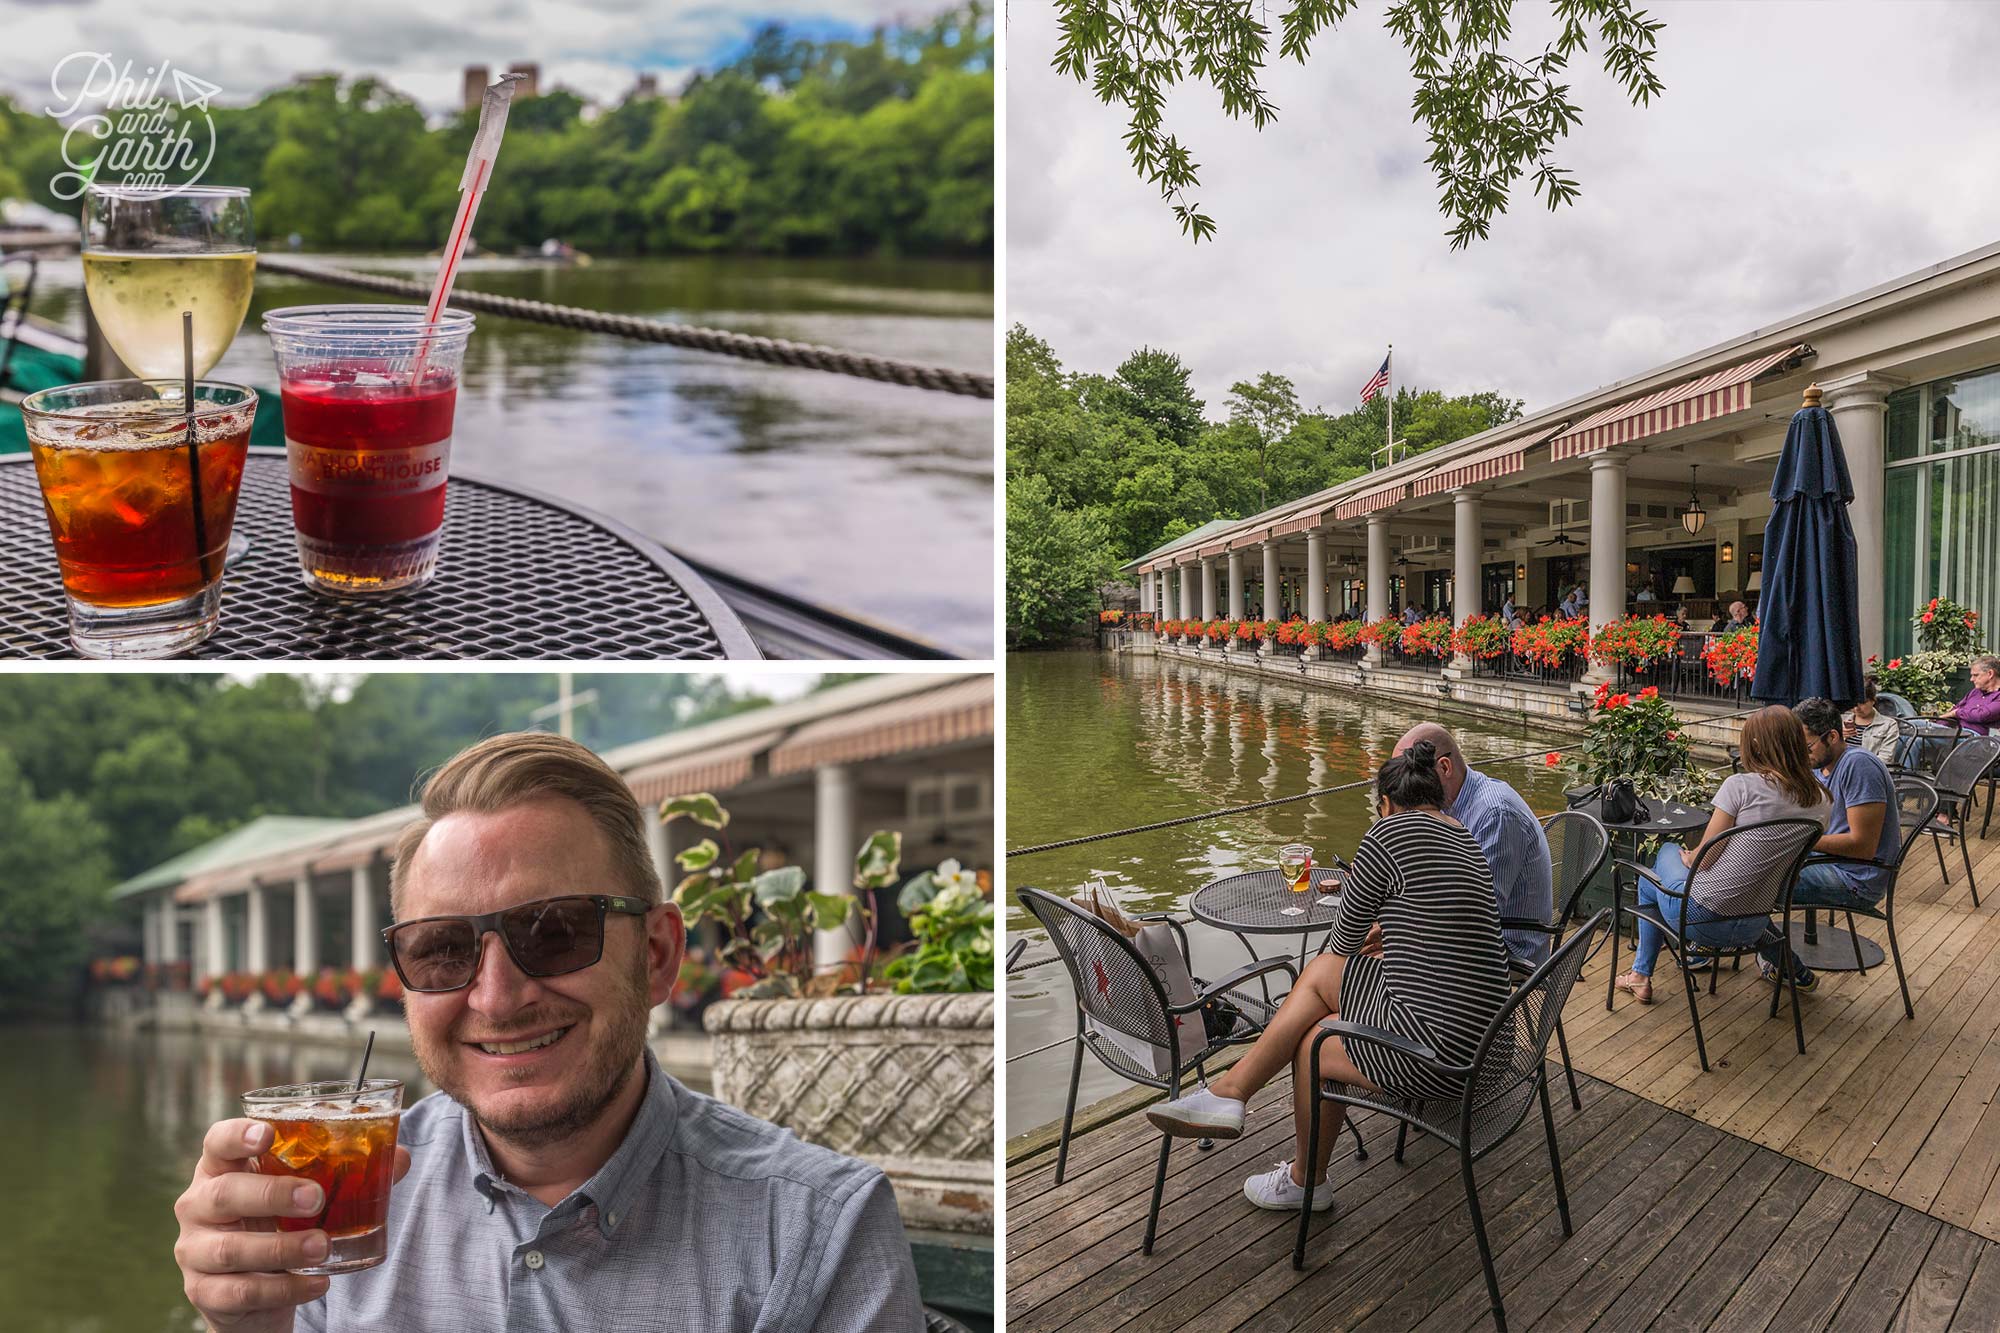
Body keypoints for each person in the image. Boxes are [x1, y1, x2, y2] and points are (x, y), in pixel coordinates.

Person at [171, 733, 923, 1333]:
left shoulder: (816, 1230)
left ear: (656, 956)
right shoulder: (343, 1199)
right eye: (443, 948)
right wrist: (246, 1326)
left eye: (556, 931)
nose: (496, 997)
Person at [1142, 742, 1513, 1210]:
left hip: (1445, 1060)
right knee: (1324, 1010)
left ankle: (1270, 1140)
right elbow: (1439, 928)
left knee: (1316, 1012)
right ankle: (1247, 1113)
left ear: (1385, 803)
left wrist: (1370, 926)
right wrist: (1390, 933)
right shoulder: (1463, 836)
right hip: (1491, 1044)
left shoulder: (1390, 834)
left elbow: (1342, 942)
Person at [1611, 707, 1830, 1003]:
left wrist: (1689, 858)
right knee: (1729, 887)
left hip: (1699, 920)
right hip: (1755, 923)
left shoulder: (1740, 786)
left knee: (1663, 857)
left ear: (1754, 745)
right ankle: (1795, 970)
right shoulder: (1821, 800)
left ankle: (1640, 975)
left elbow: (1707, 858)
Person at [1394, 723, 1554, 964]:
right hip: (1480, 930)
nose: (1403, 787)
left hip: (1507, 949)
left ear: (1444, 767)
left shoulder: (1495, 814)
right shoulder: (1454, 805)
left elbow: (1476, 913)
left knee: (1372, 963)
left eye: (1408, 775)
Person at [1790, 697, 1901, 946]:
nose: (1801, 755)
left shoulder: (1858, 765)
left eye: (1806, 747)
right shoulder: (1821, 766)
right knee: (1751, 863)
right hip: (1830, 864)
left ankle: (1775, 955)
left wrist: (1803, 840)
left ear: (1832, 737)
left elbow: (1863, 846)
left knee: (1760, 879)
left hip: (1856, 880)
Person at [1844, 676, 1902, 762]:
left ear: (1873, 700)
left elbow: (1885, 758)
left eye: (1862, 703)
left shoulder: (1889, 725)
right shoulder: (1842, 722)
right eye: (1853, 703)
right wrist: (1839, 739)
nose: (1857, 708)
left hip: (1871, 771)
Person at [1942, 655, 2000, 735]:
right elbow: (1955, 710)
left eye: (1976, 675)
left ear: (1990, 674)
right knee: (1920, 725)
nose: (1971, 679)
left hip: (1976, 739)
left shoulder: (1998, 696)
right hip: (1957, 733)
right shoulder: (1975, 692)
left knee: (1920, 740)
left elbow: (1982, 715)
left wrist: (1957, 713)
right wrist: (1937, 725)